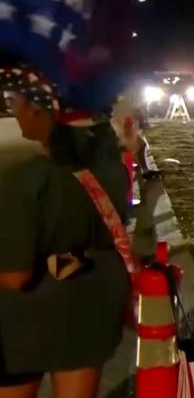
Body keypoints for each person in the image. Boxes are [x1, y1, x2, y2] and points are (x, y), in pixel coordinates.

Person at [0, 67, 131, 398]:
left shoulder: (19, 173)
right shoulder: (106, 161)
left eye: (12, 103)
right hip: (90, 306)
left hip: (23, 321)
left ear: (38, 109)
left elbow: (14, 276)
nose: (9, 113)